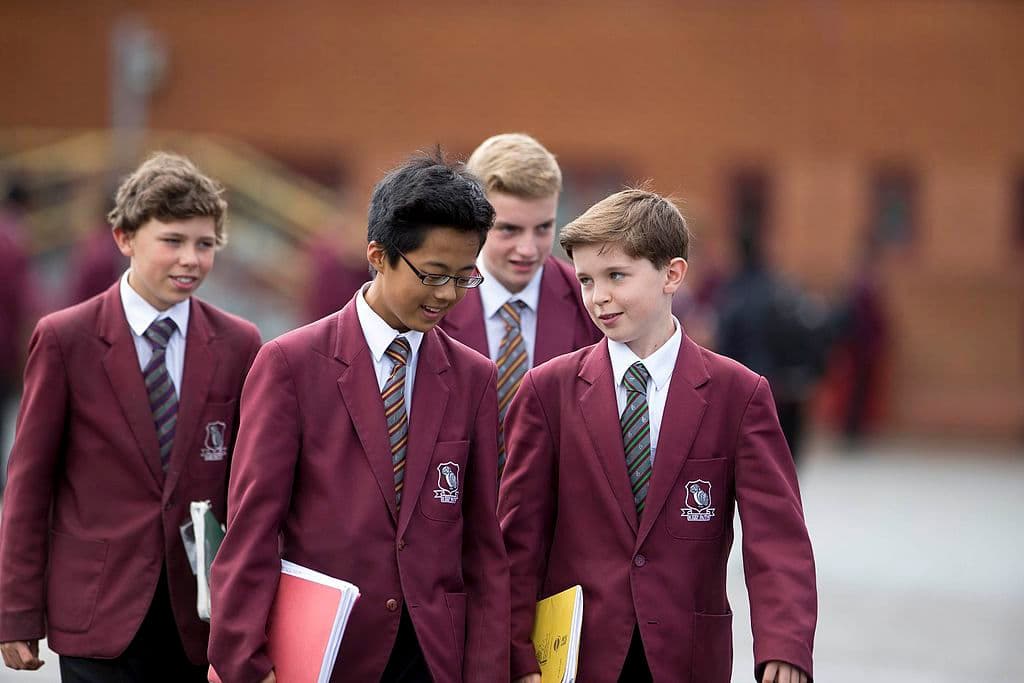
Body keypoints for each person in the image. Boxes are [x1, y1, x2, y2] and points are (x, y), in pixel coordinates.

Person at [208, 151, 510, 683]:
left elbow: (483, 547)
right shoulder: (290, 365)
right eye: (434, 274)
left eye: (465, 278)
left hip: (432, 657)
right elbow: (252, 529)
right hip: (324, 653)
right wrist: (244, 662)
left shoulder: (474, 378)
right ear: (378, 254)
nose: (447, 295)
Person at [499, 189, 816, 683]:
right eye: (585, 280)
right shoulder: (547, 391)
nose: (598, 296)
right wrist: (517, 658)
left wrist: (784, 644)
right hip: (578, 658)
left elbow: (777, 537)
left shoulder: (740, 393)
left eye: (616, 276)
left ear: (672, 274)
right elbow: (519, 540)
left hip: (687, 655)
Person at [0, 152, 262, 682]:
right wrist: (16, 612)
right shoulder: (64, 338)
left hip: (199, 614)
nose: (190, 259)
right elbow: (29, 484)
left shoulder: (239, 343)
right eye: (172, 241)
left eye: (205, 244)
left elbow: (251, 483)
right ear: (124, 238)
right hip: (97, 612)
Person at [439, 133, 600, 475]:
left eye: (543, 228)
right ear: (474, 222)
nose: (529, 249)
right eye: (509, 230)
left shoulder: (592, 301)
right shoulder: (434, 300)